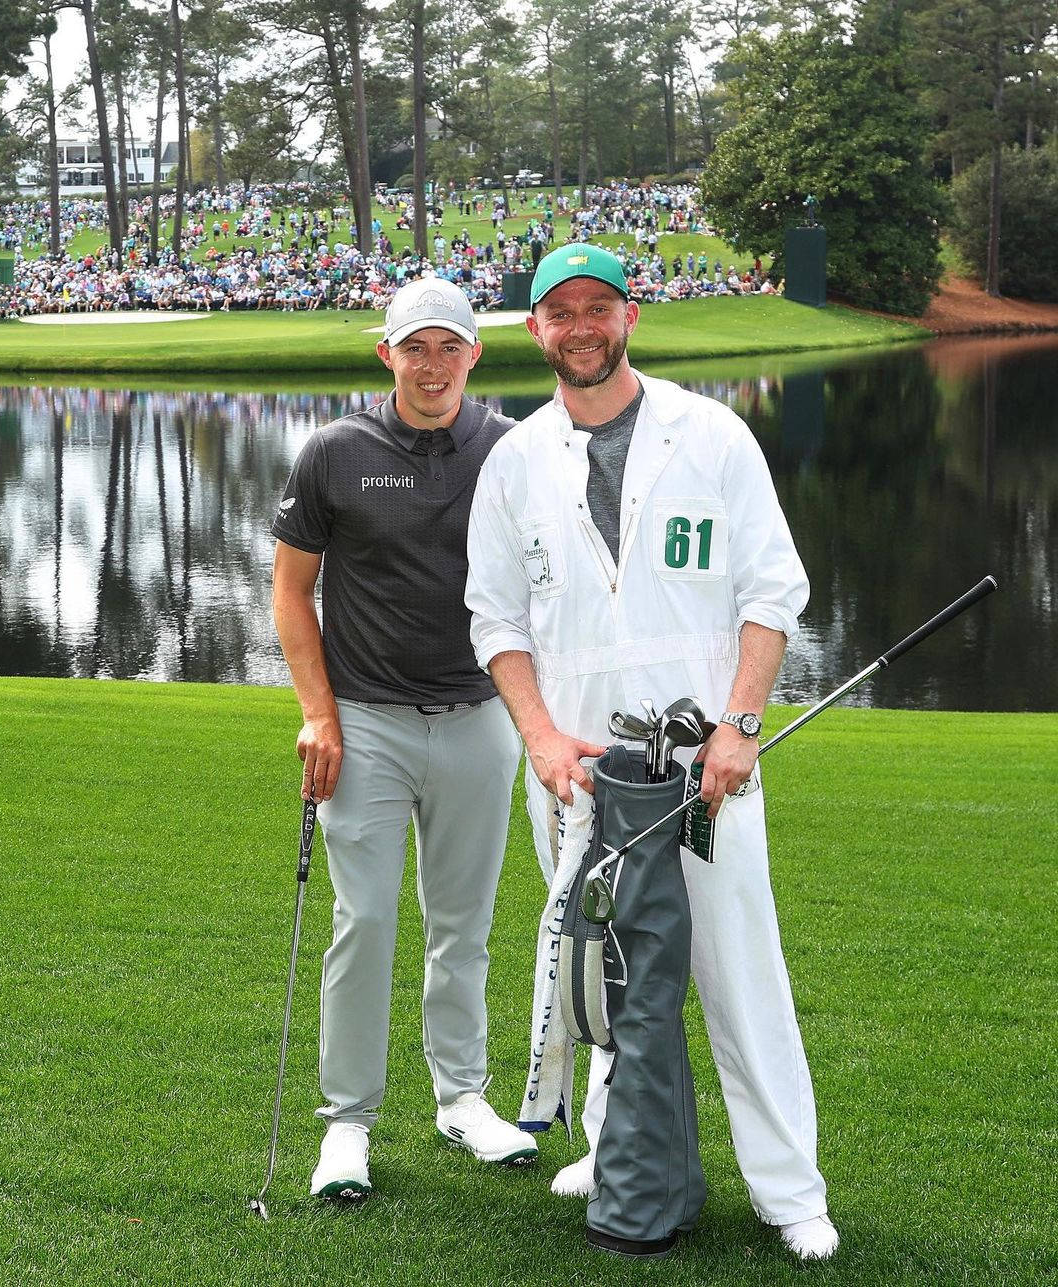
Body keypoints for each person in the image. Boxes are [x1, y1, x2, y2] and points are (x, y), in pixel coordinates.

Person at [464, 244, 839, 1262]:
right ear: (535, 328)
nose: (580, 326)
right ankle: (617, 1149)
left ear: (630, 316)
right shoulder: (513, 460)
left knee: (736, 974)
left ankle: (788, 1187)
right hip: (578, 772)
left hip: (706, 768)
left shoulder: (709, 435)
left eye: (599, 307)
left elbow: (773, 591)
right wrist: (539, 737)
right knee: (605, 970)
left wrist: (742, 725)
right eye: (559, 311)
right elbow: (495, 620)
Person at [272, 276, 536, 1201]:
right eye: (414, 347)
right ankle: (347, 1123)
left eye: (449, 346)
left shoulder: (513, 449)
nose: (432, 365)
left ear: (476, 353)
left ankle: (462, 1098)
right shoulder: (334, 453)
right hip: (368, 724)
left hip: (477, 719)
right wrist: (317, 711)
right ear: (387, 353)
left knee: (462, 925)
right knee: (365, 920)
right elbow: (290, 592)